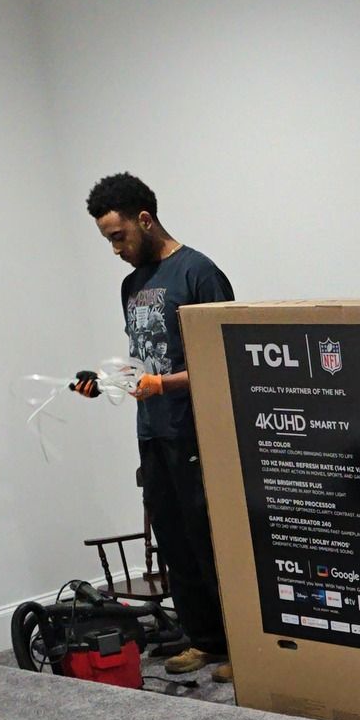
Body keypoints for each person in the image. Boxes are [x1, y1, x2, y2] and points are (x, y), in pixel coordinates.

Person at [72, 173, 234, 680]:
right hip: (153, 433)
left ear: (145, 220)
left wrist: (162, 387)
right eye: (107, 240)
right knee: (175, 540)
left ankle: (239, 647)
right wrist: (107, 383)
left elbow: (223, 362)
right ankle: (205, 641)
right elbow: (145, 364)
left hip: (198, 432)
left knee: (212, 541)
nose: (115, 248)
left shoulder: (199, 273)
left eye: (118, 236)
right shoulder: (131, 285)